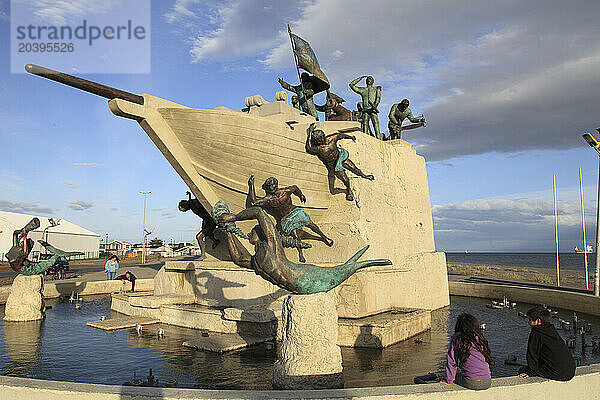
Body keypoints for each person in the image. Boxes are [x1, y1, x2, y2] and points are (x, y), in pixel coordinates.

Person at [214, 202, 391, 294]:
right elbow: (237, 259)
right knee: (343, 269)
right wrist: (227, 232)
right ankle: (355, 264)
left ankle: (366, 263)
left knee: (341, 271)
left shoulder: (271, 243)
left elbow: (259, 212)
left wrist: (234, 218)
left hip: (305, 277)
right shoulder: (258, 261)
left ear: (261, 233)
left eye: (253, 230)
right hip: (298, 286)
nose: (249, 233)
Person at [246, 175, 333, 263]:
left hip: (294, 211)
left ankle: (324, 237)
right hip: (285, 219)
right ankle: (300, 253)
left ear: (276, 184)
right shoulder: (268, 199)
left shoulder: (285, 191)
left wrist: (301, 195)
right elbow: (253, 202)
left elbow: (295, 188)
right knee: (295, 234)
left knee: (310, 224)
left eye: (273, 185)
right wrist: (251, 186)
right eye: (269, 186)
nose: (271, 187)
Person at [305, 123, 374, 201]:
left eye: (318, 140)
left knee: (354, 168)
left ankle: (364, 175)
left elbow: (340, 135)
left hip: (341, 157)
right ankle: (348, 191)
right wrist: (310, 132)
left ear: (322, 137)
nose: (317, 142)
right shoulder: (319, 148)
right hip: (333, 165)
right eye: (316, 140)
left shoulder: (332, 138)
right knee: (344, 179)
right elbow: (309, 147)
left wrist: (351, 137)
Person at [518, 306, 576, 381]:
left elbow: (532, 353)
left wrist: (531, 372)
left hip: (557, 374)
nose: (529, 323)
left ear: (538, 321)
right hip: (570, 372)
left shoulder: (537, 331)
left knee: (522, 370)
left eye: (530, 320)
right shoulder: (551, 330)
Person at [441, 313, 493, 390]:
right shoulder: (479, 339)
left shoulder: (457, 339)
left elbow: (451, 361)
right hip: (487, 381)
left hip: (472, 383)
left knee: (456, 376)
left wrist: (448, 381)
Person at [178, 191, 220, 260]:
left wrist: (191, 196)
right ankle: (215, 241)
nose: (186, 210)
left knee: (199, 237)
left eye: (184, 209)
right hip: (207, 221)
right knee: (208, 233)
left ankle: (203, 255)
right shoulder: (192, 204)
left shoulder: (194, 203)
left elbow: (201, 202)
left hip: (211, 221)